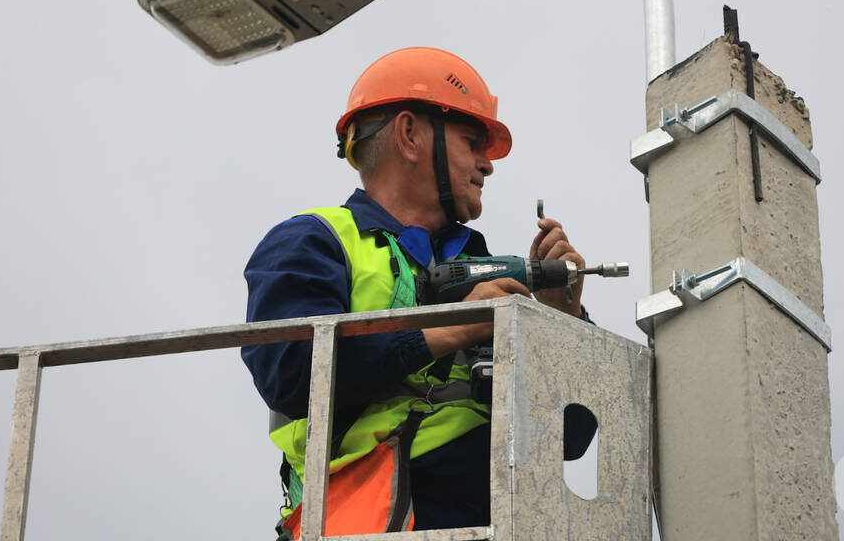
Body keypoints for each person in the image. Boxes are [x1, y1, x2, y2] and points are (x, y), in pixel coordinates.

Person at [241, 47, 590, 537]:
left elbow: (570, 439)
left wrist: (565, 326)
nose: (486, 166)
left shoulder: (479, 270)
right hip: (367, 523)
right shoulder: (315, 241)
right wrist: (443, 331)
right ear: (409, 135)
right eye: (472, 141)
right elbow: (291, 375)